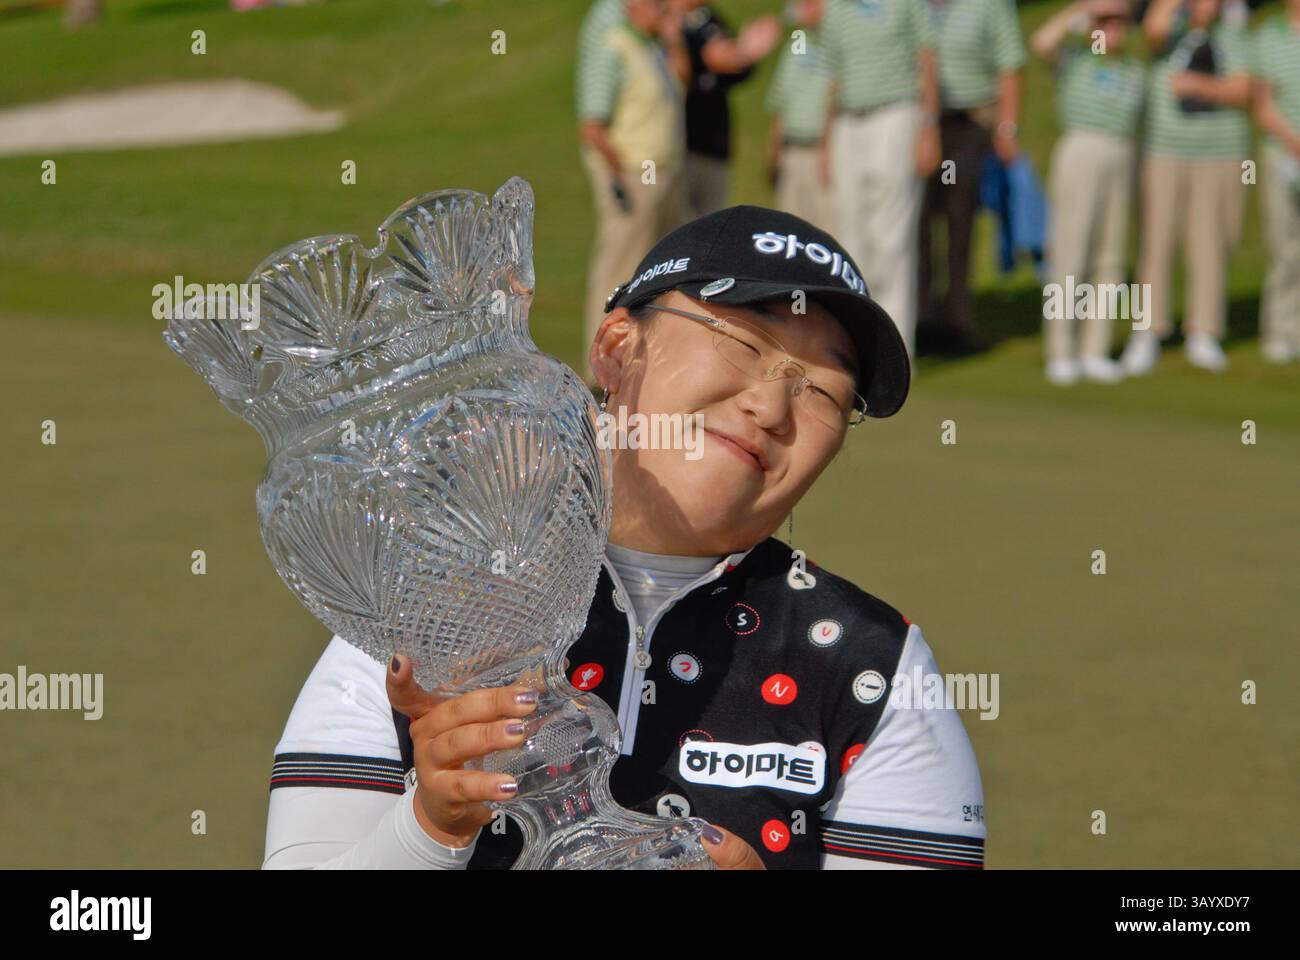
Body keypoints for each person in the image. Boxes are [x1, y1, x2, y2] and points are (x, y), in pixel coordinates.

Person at [262, 206, 987, 870]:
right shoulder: (424, 618)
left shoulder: (874, 666)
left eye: (823, 390)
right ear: (614, 348)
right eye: (744, 340)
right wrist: (430, 826)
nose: (771, 406)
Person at [1120, 0, 1252, 374]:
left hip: (1220, 152)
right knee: (1155, 244)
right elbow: (1153, 30)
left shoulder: (1234, 34)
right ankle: (1147, 331)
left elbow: (1244, 88)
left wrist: (1201, 86)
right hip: (1164, 150)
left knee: (1210, 244)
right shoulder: (1170, 31)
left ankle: (1204, 332)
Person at [1031, 0, 1147, 385]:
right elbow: (1041, 41)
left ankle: (1093, 350)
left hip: (1122, 153)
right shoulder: (1077, 59)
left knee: (1110, 256)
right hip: (1082, 149)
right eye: (1104, 24)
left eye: (1118, 24)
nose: (1112, 32)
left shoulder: (1133, 69)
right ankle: (1061, 350)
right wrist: (1080, 10)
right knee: (1071, 252)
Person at [578, 0, 691, 384]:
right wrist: (619, 176)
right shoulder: (613, 47)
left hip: (666, 173)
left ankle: (646, 359)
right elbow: (593, 125)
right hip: (633, 176)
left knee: (660, 271)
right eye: (656, 4)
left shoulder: (652, 46)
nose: (663, 10)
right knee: (620, 269)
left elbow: (683, 82)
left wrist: (674, 41)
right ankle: (601, 367)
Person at [820, 0, 940, 361]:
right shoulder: (836, 8)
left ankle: (894, 352)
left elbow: (927, 59)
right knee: (851, 237)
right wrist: (825, 141)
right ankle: (854, 345)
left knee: (892, 238)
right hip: (848, 122)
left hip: (897, 115)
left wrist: (929, 128)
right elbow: (833, 75)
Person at [918, 0, 1028, 356]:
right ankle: (920, 320)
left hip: (967, 124)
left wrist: (1007, 128)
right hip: (918, 124)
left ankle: (956, 324)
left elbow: (1010, 65)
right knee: (917, 224)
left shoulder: (991, 6)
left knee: (959, 220)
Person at [674, 0, 782, 218]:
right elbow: (710, 58)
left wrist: (746, 55)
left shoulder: (710, 18)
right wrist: (710, 53)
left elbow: (733, 69)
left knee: (709, 223)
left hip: (714, 144)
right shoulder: (663, 19)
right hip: (678, 145)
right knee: (674, 226)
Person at [1251, 0, 1300, 364]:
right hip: (1281, 154)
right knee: (1284, 244)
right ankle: (1280, 331)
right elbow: (1263, 105)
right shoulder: (1269, 36)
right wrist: (1294, 142)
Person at [764, 0, 837, 232]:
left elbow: (837, 99)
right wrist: (773, 152)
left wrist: (828, 152)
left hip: (825, 156)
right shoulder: (797, 43)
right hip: (792, 152)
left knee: (827, 232)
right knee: (789, 232)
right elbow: (783, 100)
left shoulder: (840, 42)